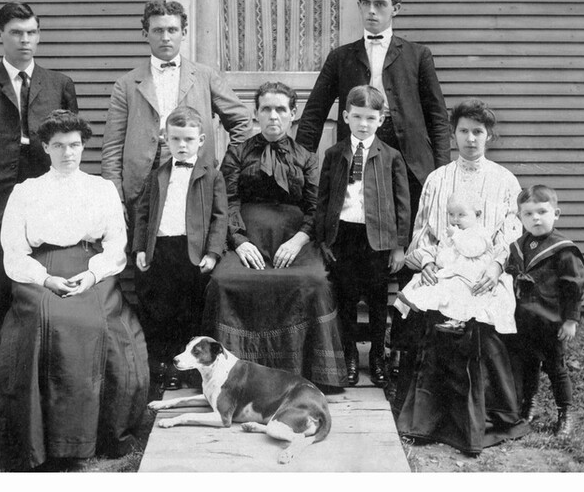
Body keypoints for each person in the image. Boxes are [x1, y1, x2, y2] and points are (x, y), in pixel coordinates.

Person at [293, 0, 451, 380]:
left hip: (411, 173)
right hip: (356, 174)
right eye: (366, 3)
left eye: (381, 4)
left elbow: (436, 117)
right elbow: (312, 114)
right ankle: (351, 352)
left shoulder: (417, 54)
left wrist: (441, 174)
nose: (373, 11)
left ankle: (401, 353)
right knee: (353, 271)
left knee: (407, 261)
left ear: (395, 8)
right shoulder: (342, 57)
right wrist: (301, 165)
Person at [0, 111, 149, 472]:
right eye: (58, 146)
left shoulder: (101, 189)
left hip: (91, 270)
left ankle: (93, 434)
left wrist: (92, 275)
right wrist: (44, 279)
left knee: (94, 324)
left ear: (84, 146)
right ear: (45, 147)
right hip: (41, 272)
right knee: (50, 320)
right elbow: (13, 249)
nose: (68, 153)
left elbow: (116, 243)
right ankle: (44, 440)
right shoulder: (26, 192)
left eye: (74, 145)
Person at [394, 97, 529, 456]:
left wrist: (498, 266)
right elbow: (422, 232)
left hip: (487, 269)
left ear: (490, 136)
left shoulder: (504, 180)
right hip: (443, 264)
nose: (471, 139)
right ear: (453, 135)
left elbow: (511, 235)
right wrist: (424, 262)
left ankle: (485, 415)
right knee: (429, 299)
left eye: (478, 132)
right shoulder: (438, 179)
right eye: (464, 131)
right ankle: (426, 416)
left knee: (482, 306)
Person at [0, 2, 78, 349]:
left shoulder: (59, 84)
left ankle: (48, 360)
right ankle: (8, 366)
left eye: (31, 33)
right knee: (3, 284)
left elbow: (70, 146)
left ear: (39, 35)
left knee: (48, 277)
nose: (25, 40)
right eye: (16, 33)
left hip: (48, 199)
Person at [202, 81, 347, 389]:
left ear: (292, 115)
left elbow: (315, 206)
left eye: (281, 109)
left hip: (293, 239)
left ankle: (311, 371)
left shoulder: (306, 156)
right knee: (222, 282)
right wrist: (238, 241)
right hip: (246, 234)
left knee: (315, 282)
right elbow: (227, 201)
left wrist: (299, 240)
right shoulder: (238, 153)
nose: (273, 116)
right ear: (256, 114)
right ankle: (227, 371)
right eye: (266, 109)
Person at [101, 0, 252, 233]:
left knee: (191, 253)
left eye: (172, 30)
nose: (165, 37)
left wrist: (225, 168)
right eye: (158, 30)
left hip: (194, 178)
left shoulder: (205, 77)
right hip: (144, 183)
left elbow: (241, 120)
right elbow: (112, 146)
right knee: (147, 255)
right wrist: (115, 198)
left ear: (184, 33)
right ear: (145, 34)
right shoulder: (127, 84)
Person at [315, 85, 410, 387]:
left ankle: (379, 359)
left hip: (378, 240)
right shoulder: (333, 155)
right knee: (345, 301)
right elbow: (323, 199)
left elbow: (402, 203)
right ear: (345, 116)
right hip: (344, 236)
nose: (363, 124)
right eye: (357, 117)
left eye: (370, 118)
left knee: (378, 302)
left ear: (381, 120)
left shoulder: (391, 156)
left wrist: (399, 246)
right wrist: (323, 239)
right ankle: (350, 357)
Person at [132, 107, 228, 391]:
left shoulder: (212, 175)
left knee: (189, 312)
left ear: (200, 140)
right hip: (161, 250)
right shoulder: (158, 174)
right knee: (161, 311)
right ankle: (164, 367)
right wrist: (140, 248)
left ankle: (190, 371)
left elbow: (220, 218)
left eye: (188, 139)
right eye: (175, 139)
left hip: (193, 254)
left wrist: (212, 252)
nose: (182, 146)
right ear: (165, 139)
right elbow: (143, 213)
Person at [505, 185, 584, 437]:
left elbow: (575, 287)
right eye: (528, 214)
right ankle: (528, 405)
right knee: (527, 365)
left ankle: (565, 412)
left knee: (556, 368)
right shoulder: (519, 246)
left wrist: (570, 320)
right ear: (520, 217)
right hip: (525, 320)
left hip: (551, 321)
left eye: (542, 212)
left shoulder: (563, 249)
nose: (536, 218)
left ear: (556, 213)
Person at [394, 191, 517, 335]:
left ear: (477, 215)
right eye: (451, 214)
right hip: (454, 270)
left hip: (472, 275)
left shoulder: (480, 233)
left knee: (456, 289)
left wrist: (456, 236)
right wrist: (438, 260)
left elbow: (471, 250)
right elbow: (442, 253)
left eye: (461, 215)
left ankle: (457, 321)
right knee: (421, 281)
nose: (455, 219)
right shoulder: (450, 234)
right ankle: (411, 302)